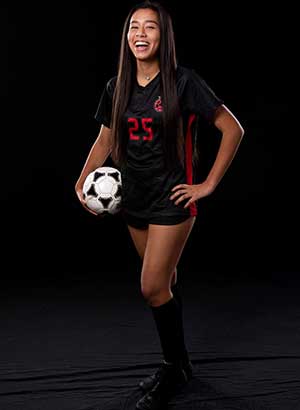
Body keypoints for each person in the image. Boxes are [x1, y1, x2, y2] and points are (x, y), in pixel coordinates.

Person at [75, 1, 244, 408]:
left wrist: (207, 185)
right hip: (133, 199)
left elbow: (231, 128)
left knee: (151, 286)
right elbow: (106, 140)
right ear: (126, 36)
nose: (141, 34)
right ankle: (180, 365)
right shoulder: (116, 86)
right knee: (162, 285)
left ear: (163, 37)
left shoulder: (183, 83)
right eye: (134, 26)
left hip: (172, 199)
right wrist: (82, 180)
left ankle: (171, 367)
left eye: (150, 27)